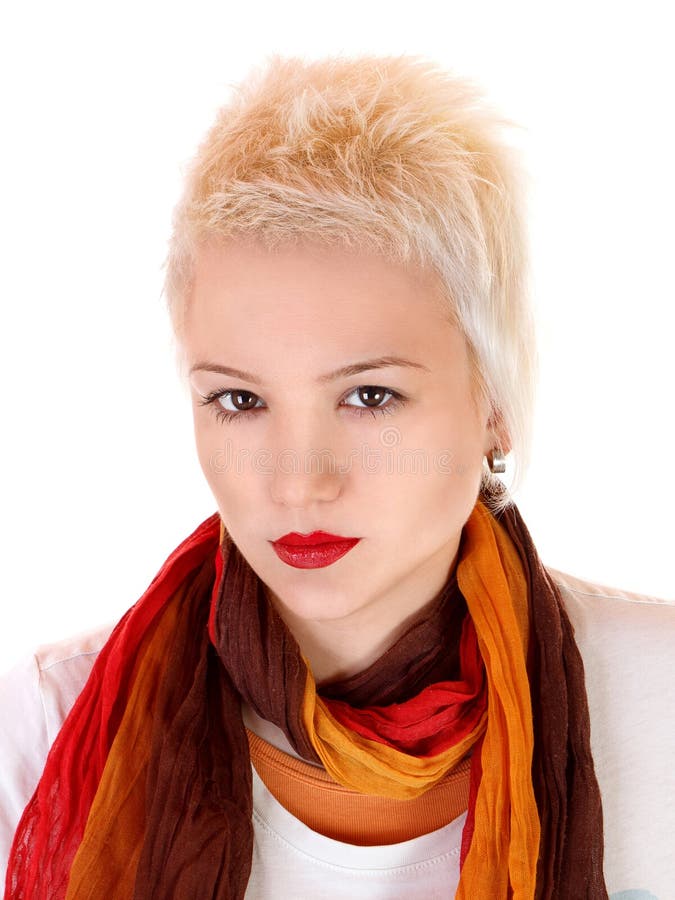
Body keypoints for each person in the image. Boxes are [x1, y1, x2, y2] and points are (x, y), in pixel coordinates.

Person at [1, 53, 673, 900]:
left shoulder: (663, 695)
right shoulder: (52, 721)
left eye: (368, 394)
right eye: (240, 399)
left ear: (494, 402)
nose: (297, 483)